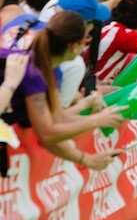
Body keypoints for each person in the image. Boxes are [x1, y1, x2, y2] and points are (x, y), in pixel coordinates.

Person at [0, 11, 124, 170]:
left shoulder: (51, 70)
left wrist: (87, 106)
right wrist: (97, 121)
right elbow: (47, 134)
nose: (88, 43)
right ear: (73, 46)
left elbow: (58, 119)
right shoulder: (35, 72)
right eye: (86, 38)